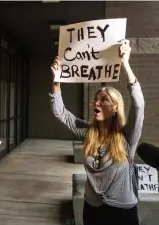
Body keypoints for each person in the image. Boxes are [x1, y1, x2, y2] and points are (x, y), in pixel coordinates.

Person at [49, 40, 144, 225]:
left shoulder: (127, 136)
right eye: (95, 99)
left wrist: (125, 64)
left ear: (115, 107)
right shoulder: (88, 133)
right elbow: (60, 112)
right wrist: (56, 79)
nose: (96, 103)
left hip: (122, 212)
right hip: (91, 209)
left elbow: (139, 105)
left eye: (104, 99)